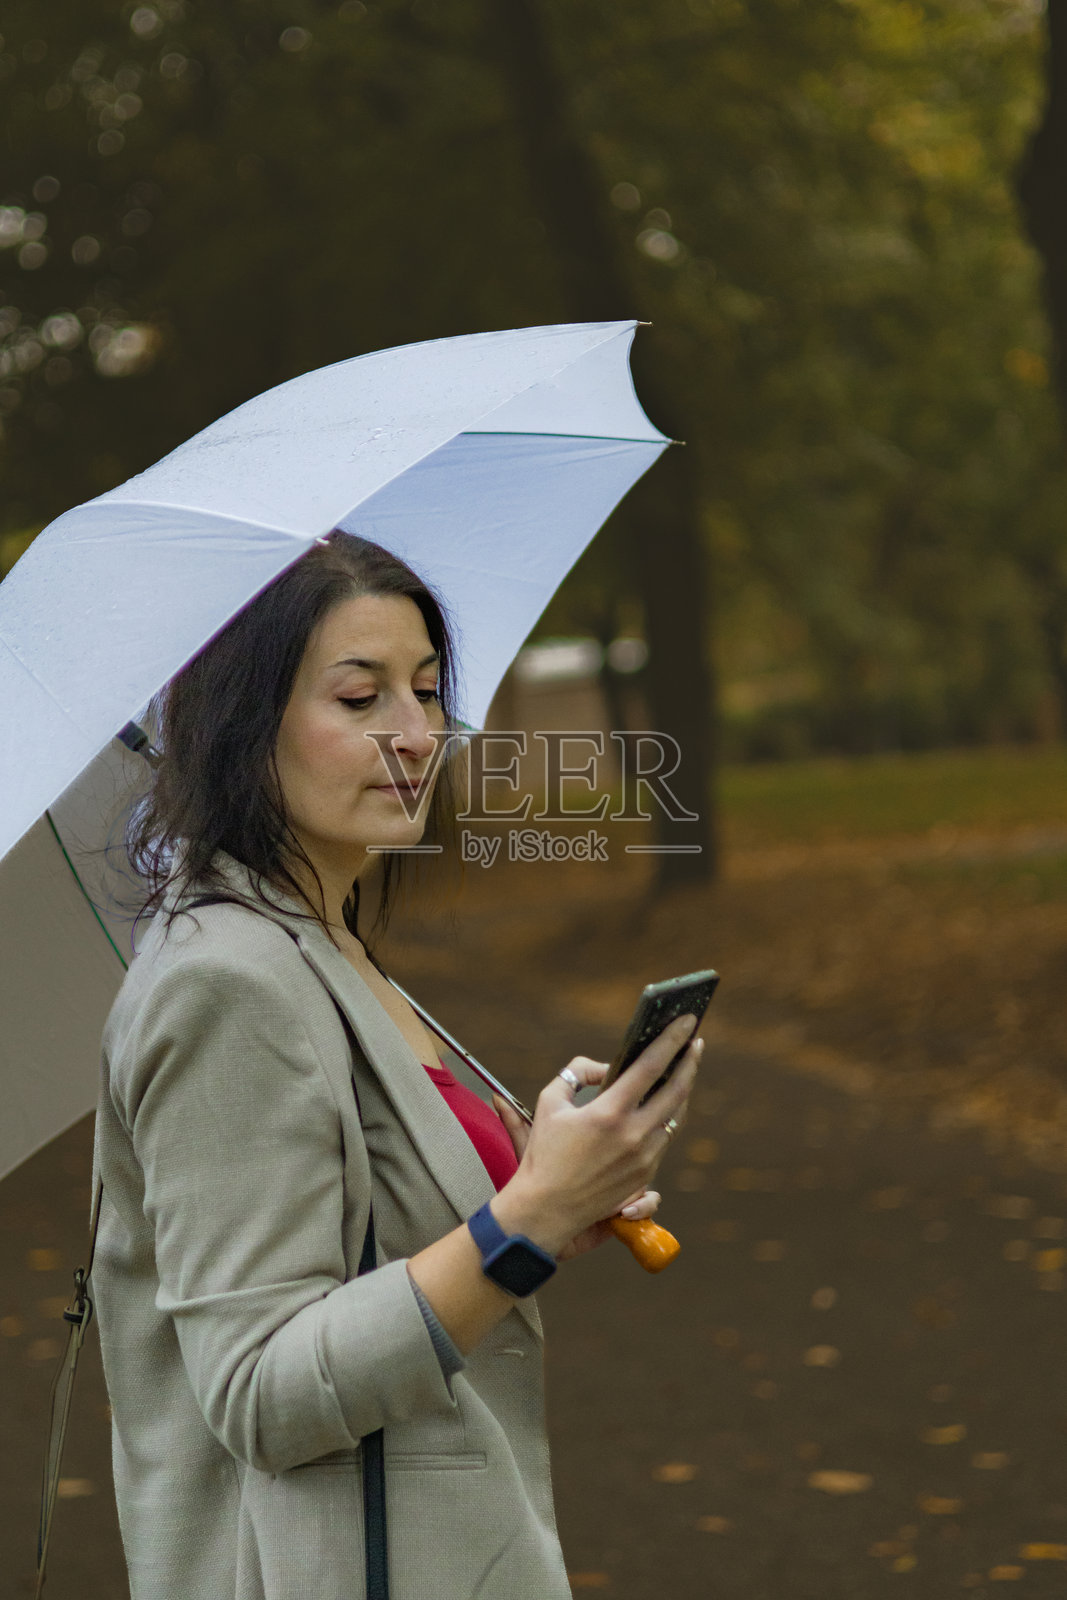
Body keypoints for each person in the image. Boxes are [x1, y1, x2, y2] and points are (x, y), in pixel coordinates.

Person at [92, 530, 703, 1600]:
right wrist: (529, 1219)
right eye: (359, 697)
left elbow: (383, 1232)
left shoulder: (320, 942)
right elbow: (260, 1391)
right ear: (246, 725)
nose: (416, 734)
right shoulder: (224, 982)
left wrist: (550, 1172)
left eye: (425, 690)